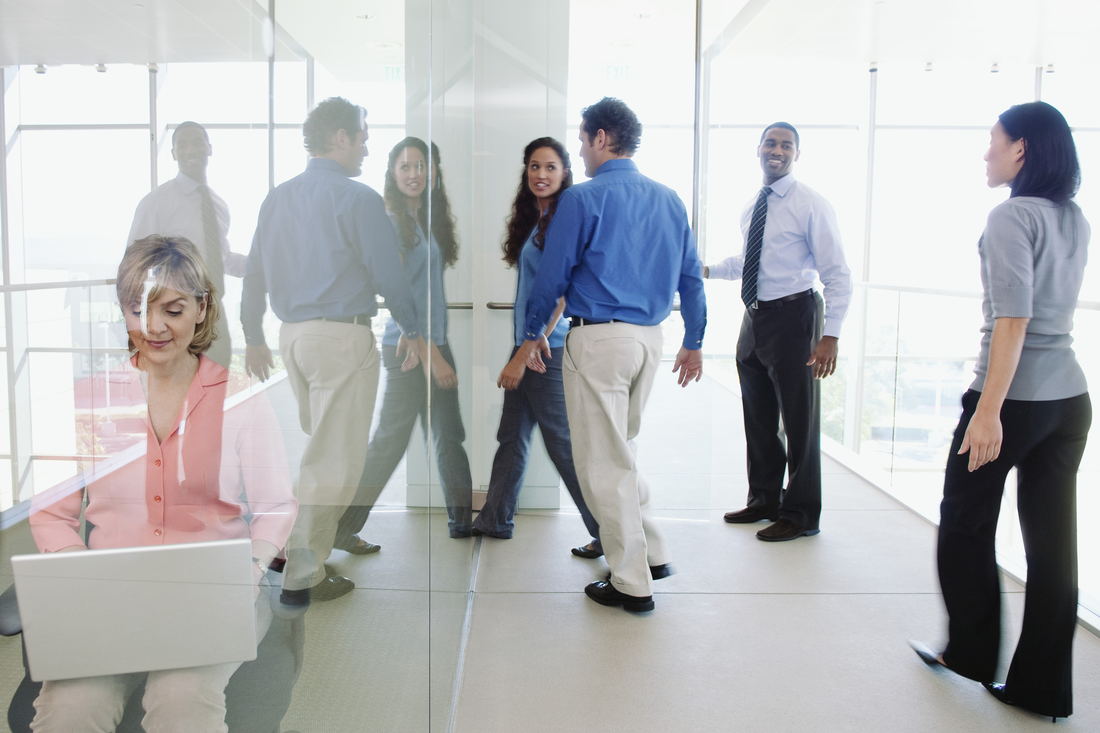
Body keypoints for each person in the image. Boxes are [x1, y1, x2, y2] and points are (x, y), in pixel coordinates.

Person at [27, 235, 298, 732]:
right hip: (110, 602)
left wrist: (253, 568)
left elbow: (276, 506)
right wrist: (80, 575)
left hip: (212, 597)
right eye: (137, 310)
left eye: (172, 310)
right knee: (70, 709)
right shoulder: (93, 398)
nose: (153, 327)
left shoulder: (238, 398)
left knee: (182, 701)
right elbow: (50, 513)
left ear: (202, 309)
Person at [910, 101, 1091, 722]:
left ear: (1021, 149)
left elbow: (1015, 318)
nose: (986, 152)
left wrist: (988, 413)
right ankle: (1040, 690)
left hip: (1012, 399)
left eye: (993, 141)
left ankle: (971, 652)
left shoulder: (1011, 214)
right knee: (1052, 550)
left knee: (963, 524)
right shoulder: (1073, 217)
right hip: (1069, 402)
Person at [523, 97, 706, 613]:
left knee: (603, 465)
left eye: (582, 141)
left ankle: (631, 582)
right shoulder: (669, 199)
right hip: (650, 340)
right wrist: (695, 339)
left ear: (601, 138)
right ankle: (655, 554)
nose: (580, 152)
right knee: (619, 451)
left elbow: (553, 276)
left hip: (599, 340)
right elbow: (691, 276)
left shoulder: (582, 198)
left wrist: (532, 332)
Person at [241, 98, 425, 605]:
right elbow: (387, 272)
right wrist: (412, 328)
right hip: (340, 338)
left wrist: (252, 335)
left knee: (318, 450)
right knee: (333, 462)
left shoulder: (277, 198)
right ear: (340, 138)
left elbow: (254, 274)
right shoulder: (357, 198)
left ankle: (292, 547)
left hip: (292, 338)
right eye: (363, 136)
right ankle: (303, 572)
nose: (367, 146)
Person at [705, 122, 851, 542]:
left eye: (787, 145)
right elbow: (751, 262)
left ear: (796, 155)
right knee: (759, 415)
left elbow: (838, 273)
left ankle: (802, 513)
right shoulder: (754, 205)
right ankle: (764, 499)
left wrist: (831, 336)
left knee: (799, 420)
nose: (778, 150)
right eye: (771, 142)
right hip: (755, 318)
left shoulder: (811, 204)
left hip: (795, 318)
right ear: (759, 149)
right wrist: (709, 270)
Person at [332, 137, 473, 545]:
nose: (414, 174)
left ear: (433, 172)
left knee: (449, 434)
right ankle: (340, 529)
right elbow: (391, 287)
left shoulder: (423, 219)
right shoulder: (391, 220)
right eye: (405, 166)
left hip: (433, 341)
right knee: (390, 442)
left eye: (421, 166)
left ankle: (462, 522)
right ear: (393, 173)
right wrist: (427, 350)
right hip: (410, 348)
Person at [471, 137, 602, 555]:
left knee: (561, 444)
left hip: (547, 349)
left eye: (550, 167)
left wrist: (527, 349)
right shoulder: (538, 219)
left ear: (565, 173)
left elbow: (562, 292)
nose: (540, 174)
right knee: (512, 435)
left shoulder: (564, 217)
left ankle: (609, 533)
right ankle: (494, 518)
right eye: (533, 166)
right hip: (529, 344)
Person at [127, 121, 246, 369]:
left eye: (197, 143)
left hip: (212, 312)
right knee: (176, 397)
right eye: (183, 145)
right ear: (173, 154)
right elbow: (134, 262)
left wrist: (260, 265)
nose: (190, 150)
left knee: (214, 389)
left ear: (209, 148)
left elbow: (219, 258)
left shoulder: (218, 205)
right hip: (173, 314)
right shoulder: (157, 202)